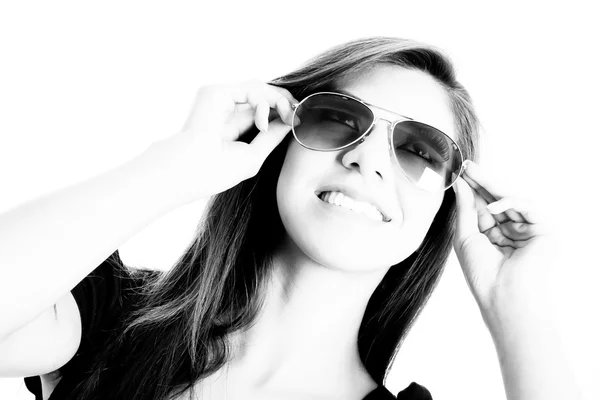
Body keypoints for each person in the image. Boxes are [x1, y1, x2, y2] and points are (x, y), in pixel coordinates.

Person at [0, 36, 580, 400]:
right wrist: (173, 166)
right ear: (278, 146)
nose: (367, 159)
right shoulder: (107, 316)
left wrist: (517, 310)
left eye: (419, 151)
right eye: (337, 119)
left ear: (445, 210)